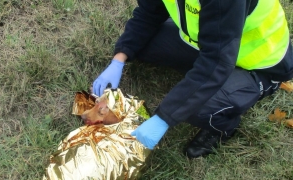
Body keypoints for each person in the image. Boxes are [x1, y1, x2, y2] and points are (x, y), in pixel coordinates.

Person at [92, 0, 293, 158]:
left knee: (197, 108)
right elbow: (148, 13)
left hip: (260, 62)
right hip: (210, 42)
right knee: (141, 46)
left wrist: (164, 118)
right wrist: (119, 59)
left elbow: (217, 62)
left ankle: (223, 126)